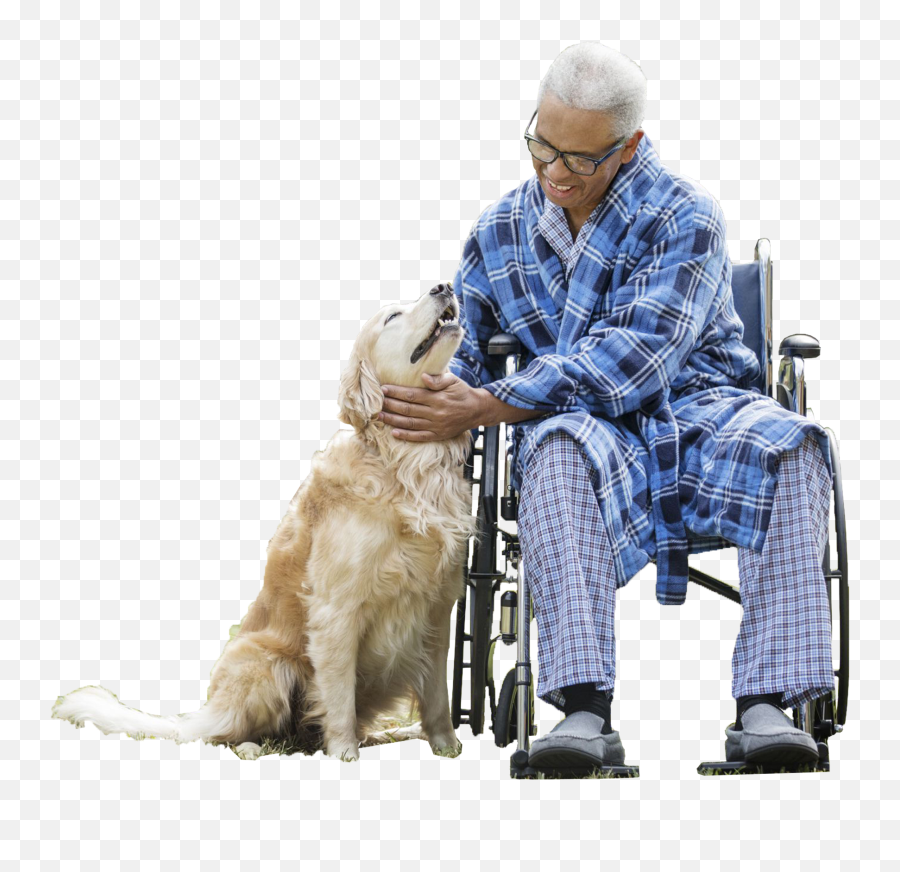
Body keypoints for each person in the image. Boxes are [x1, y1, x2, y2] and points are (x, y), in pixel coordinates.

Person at [376, 42, 834, 771]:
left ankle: (769, 703)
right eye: (542, 147)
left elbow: (635, 362)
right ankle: (582, 709)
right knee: (552, 449)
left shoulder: (686, 218)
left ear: (629, 148)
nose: (555, 173)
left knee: (794, 444)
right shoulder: (499, 234)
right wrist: (424, 406)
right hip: (587, 434)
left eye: (580, 160)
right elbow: (463, 357)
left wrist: (491, 402)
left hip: (702, 410)